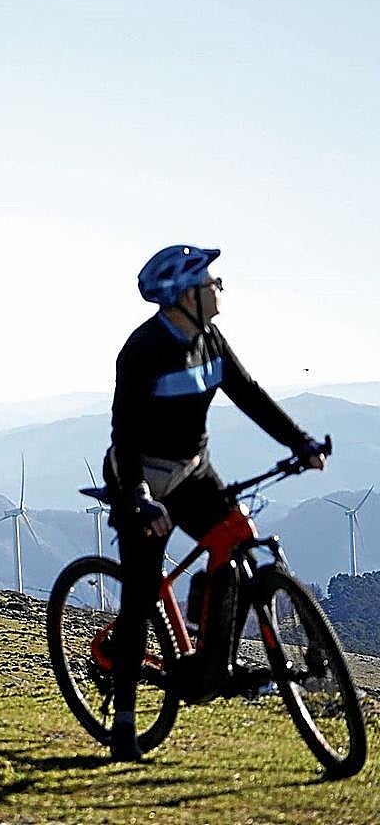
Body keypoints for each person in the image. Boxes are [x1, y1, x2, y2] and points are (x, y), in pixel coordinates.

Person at [102, 244, 325, 762]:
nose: (218, 290)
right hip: (143, 475)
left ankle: (211, 663)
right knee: (140, 595)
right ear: (183, 296)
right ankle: (125, 722)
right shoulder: (142, 351)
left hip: (193, 469)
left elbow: (248, 392)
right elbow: (125, 431)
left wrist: (299, 442)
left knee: (237, 539)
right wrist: (137, 498)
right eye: (210, 283)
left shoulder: (211, 339)